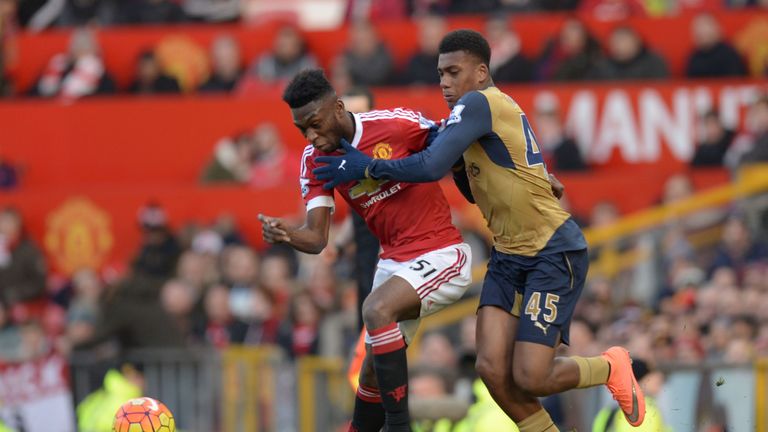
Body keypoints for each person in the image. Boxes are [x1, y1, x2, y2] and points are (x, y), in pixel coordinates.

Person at [312, 30, 646, 431]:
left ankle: (610, 367)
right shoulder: (466, 118)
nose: (445, 83)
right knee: (491, 370)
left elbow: (429, 167)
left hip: (551, 250)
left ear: (482, 71)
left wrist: (364, 166)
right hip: (508, 255)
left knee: (531, 377)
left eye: (454, 72)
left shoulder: (479, 103)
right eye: (440, 74)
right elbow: (471, 188)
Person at [258, 68, 473, 432]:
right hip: (393, 263)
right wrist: (286, 235)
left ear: (337, 108)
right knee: (370, 370)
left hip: (442, 252)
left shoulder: (395, 124)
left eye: (315, 123)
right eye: (302, 130)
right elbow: (317, 238)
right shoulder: (314, 161)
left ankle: (399, 426)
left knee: (374, 309)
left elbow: (452, 146)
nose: (312, 136)